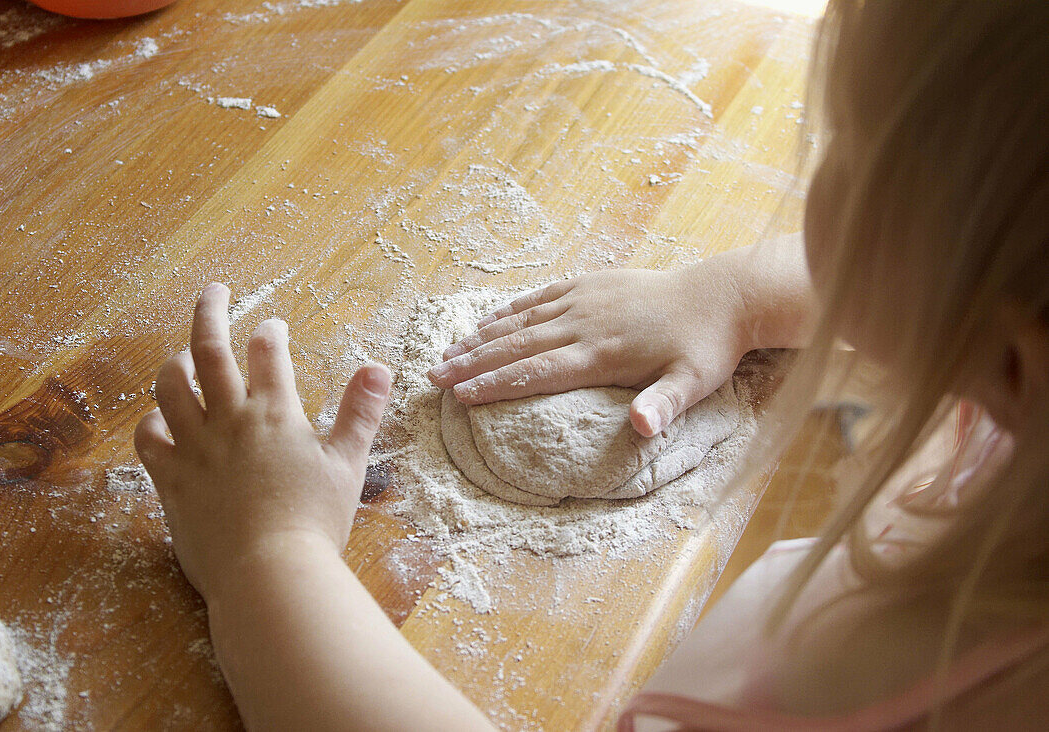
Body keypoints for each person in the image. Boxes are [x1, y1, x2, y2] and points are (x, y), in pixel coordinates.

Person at [134, 0, 1049, 728]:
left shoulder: (909, 691)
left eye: (847, 144)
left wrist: (270, 557)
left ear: (1010, 353)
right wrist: (735, 290)